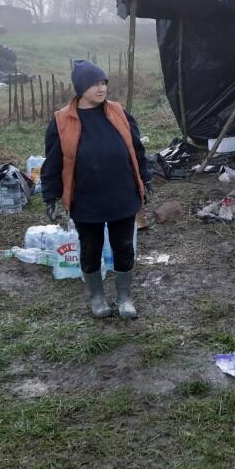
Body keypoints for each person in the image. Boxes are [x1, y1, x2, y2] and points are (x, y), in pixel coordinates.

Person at [42, 60, 151, 319]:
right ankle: (97, 298)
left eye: (103, 83)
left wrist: (145, 180)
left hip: (122, 194)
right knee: (90, 248)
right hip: (86, 199)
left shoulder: (118, 112)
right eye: (94, 84)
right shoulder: (62, 121)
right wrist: (50, 195)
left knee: (124, 246)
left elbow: (137, 150)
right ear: (81, 88)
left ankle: (124, 297)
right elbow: (54, 162)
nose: (101, 88)